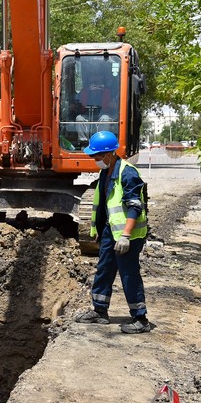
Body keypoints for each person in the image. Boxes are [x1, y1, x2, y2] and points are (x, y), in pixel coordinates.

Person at [74, 130, 151, 334]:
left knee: (129, 274)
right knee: (104, 269)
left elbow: (135, 207)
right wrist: (99, 229)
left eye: (96, 156)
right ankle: (99, 311)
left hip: (128, 234)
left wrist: (125, 235)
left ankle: (140, 318)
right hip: (110, 230)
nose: (94, 159)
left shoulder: (128, 173)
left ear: (109, 154)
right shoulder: (105, 172)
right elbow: (105, 204)